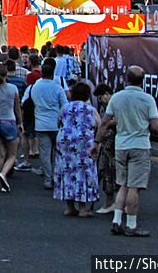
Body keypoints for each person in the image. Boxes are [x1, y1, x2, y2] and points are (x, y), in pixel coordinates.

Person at [93, 66, 158, 237]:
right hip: (140, 144)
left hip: (121, 144)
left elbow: (104, 122)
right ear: (143, 80)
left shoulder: (116, 98)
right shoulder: (147, 99)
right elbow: (155, 126)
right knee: (134, 186)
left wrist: (96, 142)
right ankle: (131, 223)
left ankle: (117, 220)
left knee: (122, 184)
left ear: (127, 79)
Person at [52, 82, 100, 217]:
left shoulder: (65, 107)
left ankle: (69, 206)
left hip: (65, 143)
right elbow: (99, 124)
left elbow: (58, 121)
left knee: (66, 171)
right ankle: (83, 208)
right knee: (84, 172)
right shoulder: (90, 109)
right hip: (84, 144)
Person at [22, 57, 67, 190]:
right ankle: (58, 176)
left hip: (40, 123)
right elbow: (65, 105)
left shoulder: (34, 87)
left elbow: (28, 102)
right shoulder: (57, 87)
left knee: (45, 153)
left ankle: (48, 178)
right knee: (58, 152)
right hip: (56, 123)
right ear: (52, 74)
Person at [0, 63, 22, 193]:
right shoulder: (13, 89)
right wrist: (21, 122)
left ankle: (3, 179)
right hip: (10, 122)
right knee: (12, 154)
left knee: (0, 154)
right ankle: (4, 174)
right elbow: (17, 107)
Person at [93, 84, 117, 214]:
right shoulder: (106, 107)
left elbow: (116, 120)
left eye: (101, 97)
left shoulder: (114, 105)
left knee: (110, 171)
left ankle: (110, 202)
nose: (100, 100)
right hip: (110, 143)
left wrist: (107, 123)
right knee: (109, 171)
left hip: (114, 143)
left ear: (107, 94)